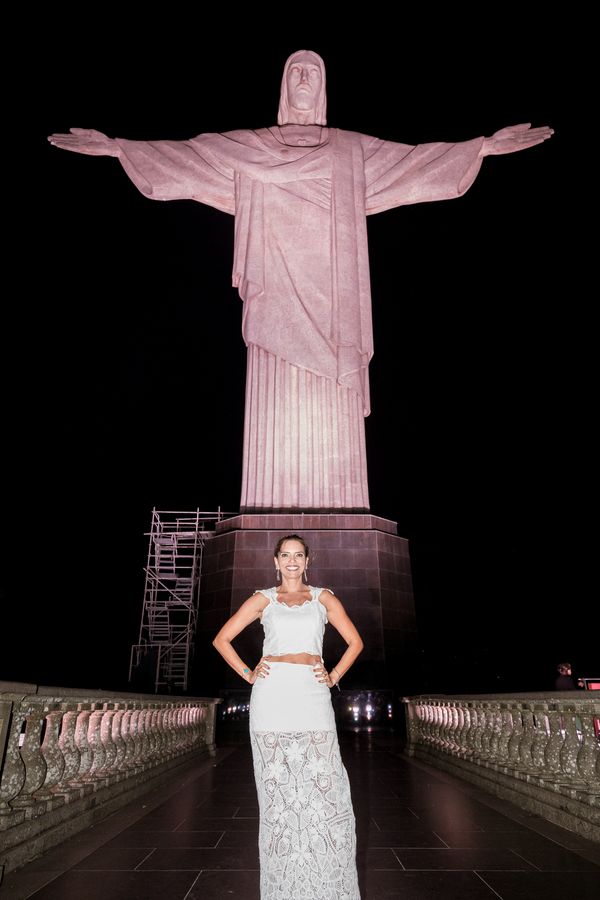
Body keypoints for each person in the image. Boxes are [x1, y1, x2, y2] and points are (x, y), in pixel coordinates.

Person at [47, 50, 553, 513]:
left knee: (334, 394)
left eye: (314, 70)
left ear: (325, 86)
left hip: (335, 304)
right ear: (284, 85)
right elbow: (186, 158)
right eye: (296, 71)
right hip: (274, 299)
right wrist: (118, 148)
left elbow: (417, 162)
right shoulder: (249, 148)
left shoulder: (352, 151)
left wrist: (482, 147)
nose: (305, 77)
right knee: (271, 391)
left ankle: (343, 505)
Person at [212, 534, 363, 899]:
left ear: (308, 561)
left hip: (312, 694)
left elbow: (355, 642)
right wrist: (249, 674)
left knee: (326, 787)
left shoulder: (322, 597)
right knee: (277, 792)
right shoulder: (263, 599)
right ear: (276, 561)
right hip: (272, 695)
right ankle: (286, 884)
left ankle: (325, 879)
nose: (292, 561)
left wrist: (334, 676)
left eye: (299, 555)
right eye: (285, 555)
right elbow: (221, 639)